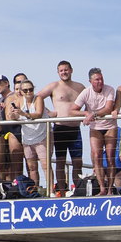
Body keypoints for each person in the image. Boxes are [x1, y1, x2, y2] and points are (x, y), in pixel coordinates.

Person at [37, 61, 87, 193]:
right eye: (61, 70)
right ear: (58, 72)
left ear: (71, 70)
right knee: (60, 162)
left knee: (77, 162)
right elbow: (38, 97)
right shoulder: (54, 86)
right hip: (59, 128)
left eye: (66, 70)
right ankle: (61, 191)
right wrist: (48, 113)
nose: (64, 72)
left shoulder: (80, 87)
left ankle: (77, 190)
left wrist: (86, 115)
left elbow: (90, 100)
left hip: (75, 129)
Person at [71, 69, 118, 195]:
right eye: (97, 79)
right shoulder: (86, 92)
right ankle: (102, 188)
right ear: (90, 81)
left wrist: (93, 114)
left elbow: (108, 108)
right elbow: (73, 110)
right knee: (96, 156)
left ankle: (110, 190)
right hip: (95, 128)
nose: (100, 81)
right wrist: (86, 113)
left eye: (101, 78)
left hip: (109, 127)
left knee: (110, 157)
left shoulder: (110, 89)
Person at [10, 79, 48, 186]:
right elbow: (13, 117)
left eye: (30, 89)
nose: (28, 92)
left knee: (45, 165)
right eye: (25, 90)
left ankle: (51, 191)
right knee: (32, 167)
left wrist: (23, 113)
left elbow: (38, 114)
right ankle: (34, 190)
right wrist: (14, 113)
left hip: (41, 137)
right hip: (27, 138)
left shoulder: (38, 98)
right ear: (21, 91)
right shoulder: (19, 101)